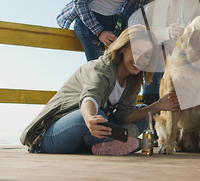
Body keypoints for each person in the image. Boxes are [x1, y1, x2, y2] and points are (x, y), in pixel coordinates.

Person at [20, 25, 180, 155]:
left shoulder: (133, 80)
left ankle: (106, 144)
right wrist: (90, 118)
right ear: (123, 47)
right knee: (97, 117)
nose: (140, 60)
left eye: (147, 56)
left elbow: (124, 115)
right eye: (136, 52)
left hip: (91, 135)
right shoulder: (101, 68)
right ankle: (124, 143)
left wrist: (158, 106)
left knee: (144, 113)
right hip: (52, 136)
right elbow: (90, 97)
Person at [142, 0, 200, 105]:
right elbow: (154, 29)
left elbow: (183, 31)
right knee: (159, 64)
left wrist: (170, 45)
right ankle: (150, 118)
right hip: (149, 41)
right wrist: (166, 45)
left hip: (170, 46)